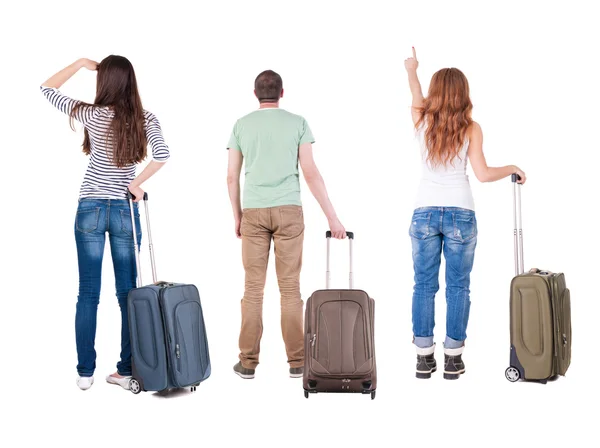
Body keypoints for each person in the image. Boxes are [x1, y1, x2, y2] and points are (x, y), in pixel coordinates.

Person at [41, 56, 170, 390]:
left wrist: (81, 64)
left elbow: (47, 88)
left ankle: (85, 373)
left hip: (91, 209)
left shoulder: (92, 113)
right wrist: (135, 184)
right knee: (127, 294)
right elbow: (162, 154)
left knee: (88, 293)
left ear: (106, 82)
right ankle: (125, 370)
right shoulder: (145, 118)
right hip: (125, 211)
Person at [404, 48, 526, 380]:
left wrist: (412, 68)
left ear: (435, 92)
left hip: (424, 212)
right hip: (461, 213)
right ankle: (453, 358)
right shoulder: (471, 128)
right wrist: (512, 167)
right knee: (459, 286)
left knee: (424, 285)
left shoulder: (423, 119)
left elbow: (415, 91)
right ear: (463, 93)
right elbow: (484, 174)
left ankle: (423, 357)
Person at [227, 70, 346, 379]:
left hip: (253, 210)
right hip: (289, 211)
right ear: (282, 93)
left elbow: (231, 176)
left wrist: (237, 215)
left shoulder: (241, 125)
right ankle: (297, 362)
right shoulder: (298, 123)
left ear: (255, 94)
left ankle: (248, 363)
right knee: (290, 289)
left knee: (253, 289)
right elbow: (310, 171)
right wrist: (332, 216)